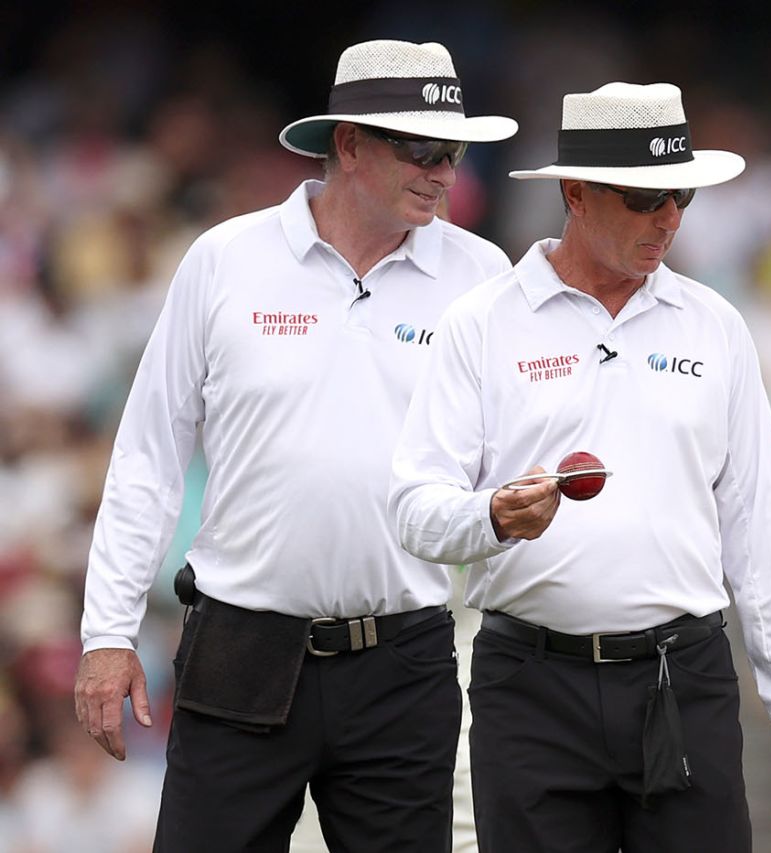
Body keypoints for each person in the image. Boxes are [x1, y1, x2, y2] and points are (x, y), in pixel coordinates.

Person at [72, 39, 517, 853]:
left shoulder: (483, 275)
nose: (445, 171)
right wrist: (108, 634)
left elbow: (531, 449)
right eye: (422, 149)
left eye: (454, 150)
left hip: (405, 656)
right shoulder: (224, 260)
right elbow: (148, 455)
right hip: (239, 644)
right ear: (348, 144)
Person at [389, 82, 771, 852]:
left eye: (680, 196)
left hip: (682, 674)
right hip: (529, 682)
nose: (668, 219)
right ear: (576, 193)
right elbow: (415, 508)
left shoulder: (715, 325)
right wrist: (490, 517)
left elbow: (760, 522)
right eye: (643, 197)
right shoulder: (482, 323)